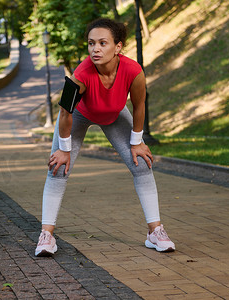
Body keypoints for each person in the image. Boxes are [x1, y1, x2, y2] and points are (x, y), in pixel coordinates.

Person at [35, 18, 175, 257]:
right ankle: (46, 236)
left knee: (142, 164)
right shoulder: (80, 74)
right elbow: (65, 112)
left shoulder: (133, 70)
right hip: (78, 114)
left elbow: (139, 105)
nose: (95, 49)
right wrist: (65, 149)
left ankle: (155, 232)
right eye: (91, 43)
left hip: (114, 114)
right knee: (57, 167)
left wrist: (137, 141)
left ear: (117, 47)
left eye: (102, 43)